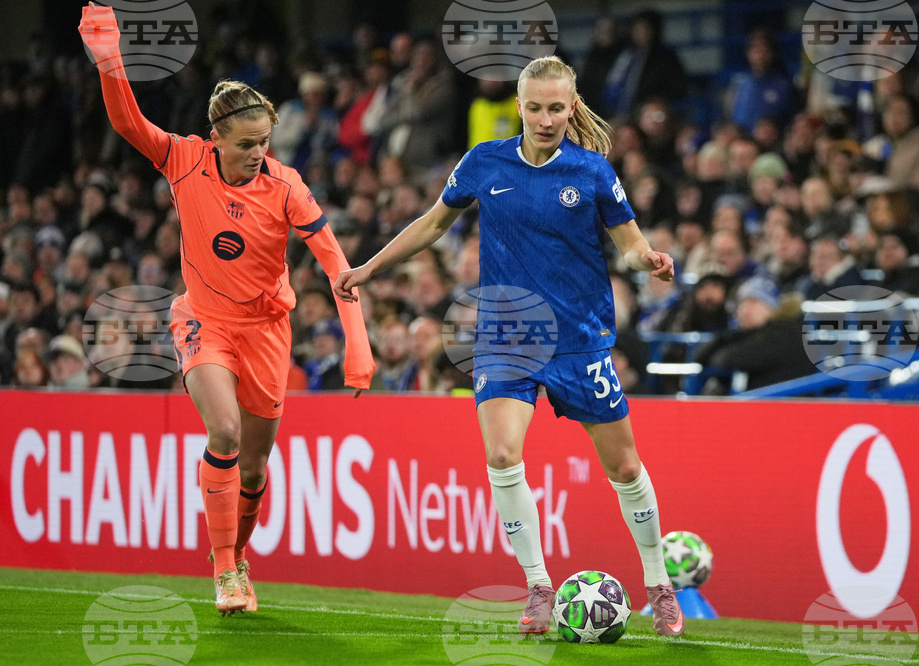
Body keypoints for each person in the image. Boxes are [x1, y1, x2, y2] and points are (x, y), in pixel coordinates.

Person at [336, 55, 684, 637]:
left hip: (580, 339)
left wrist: (647, 258)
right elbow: (431, 224)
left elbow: (628, 243)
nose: (546, 119)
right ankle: (539, 585)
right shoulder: (484, 162)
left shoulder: (593, 171)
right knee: (501, 457)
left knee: (624, 466)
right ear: (518, 107)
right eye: (535, 107)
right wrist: (370, 267)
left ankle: (658, 582)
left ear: (571, 108)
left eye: (556, 108)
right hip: (506, 334)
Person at [79, 3, 375, 615]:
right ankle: (223, 571)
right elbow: (127, 121)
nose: (256, 154)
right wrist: (110, 57)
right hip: (203, 320)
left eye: (264, 142)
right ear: (215, 138)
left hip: (267, 329)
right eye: (245, 144)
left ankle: (238, 556)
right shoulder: (184, 159)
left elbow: (337, 268)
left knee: (257, 468)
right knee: (224, 433)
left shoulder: (287, 184)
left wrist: (357, 343)